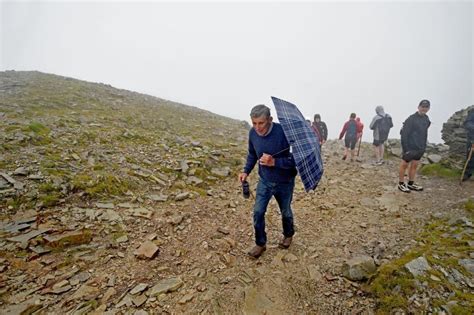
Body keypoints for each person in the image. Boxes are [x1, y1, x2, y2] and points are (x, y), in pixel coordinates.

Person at [239, 104, 297, 258]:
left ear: (270, 120)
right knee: (258, 212)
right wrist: (246, 171)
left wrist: (275, 162)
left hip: (285, 182)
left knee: (285, 211)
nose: (257, 127)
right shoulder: (253, 133)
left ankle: (288, 233)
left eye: (261, 123)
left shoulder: (284, 133)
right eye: (254, 123)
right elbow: (252, 154)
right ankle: (260, 243)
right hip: (265, 180)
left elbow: (296, 160)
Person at [398, 100, 431, 193]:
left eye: (426, 107)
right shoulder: (411, 119)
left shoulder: (426, 119)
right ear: (418, 107)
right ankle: (401, 184)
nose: (424, 108)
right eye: (422, 106)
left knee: (415, 165)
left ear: (428, 108)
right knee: (404, 164)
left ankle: (411, 184)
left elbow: (425, 131)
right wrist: (406, 149)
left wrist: (423, 146)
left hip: (420, 147)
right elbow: (404, 134)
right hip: (410, 147)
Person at [462, 108, 474, 181]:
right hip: (472, 139)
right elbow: (467, 124)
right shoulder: (472, 113)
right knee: (471, 157)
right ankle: (467, 174)